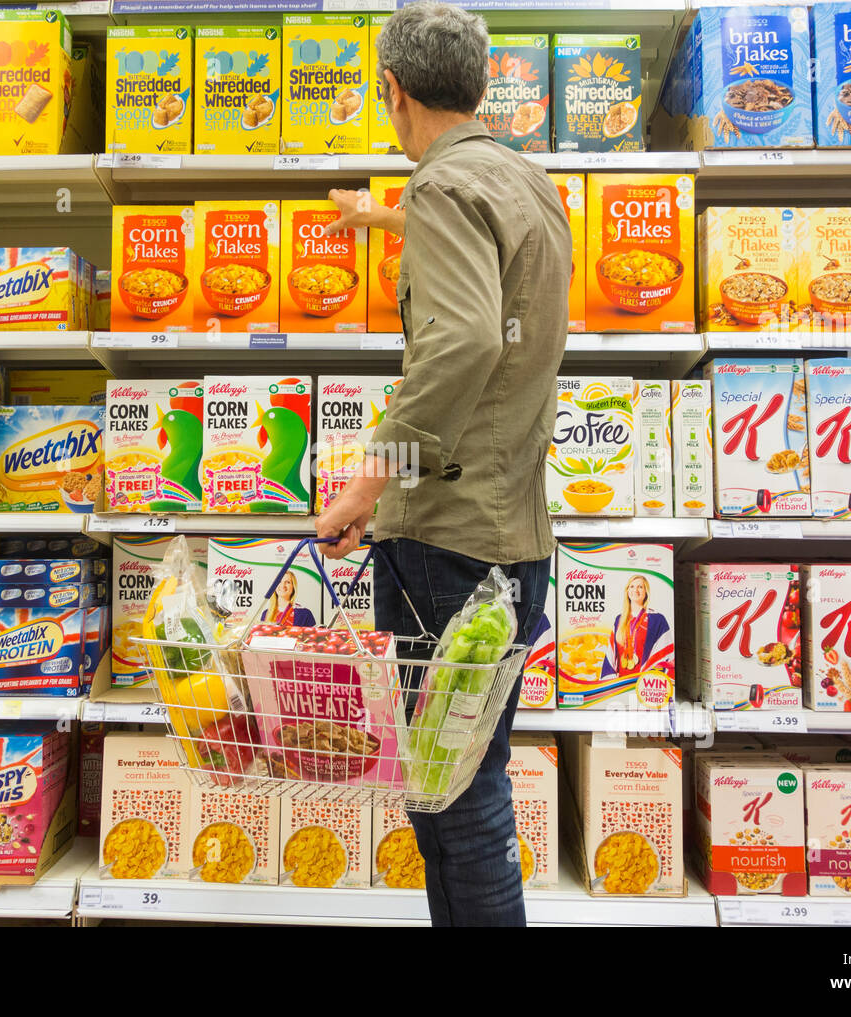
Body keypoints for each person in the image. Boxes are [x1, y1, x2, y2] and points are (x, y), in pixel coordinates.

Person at [315, 0, 571, 927]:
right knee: (459, 783)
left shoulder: (442, 188)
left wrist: (363, 484)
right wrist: (380, 218)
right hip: (514, 539)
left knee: (455, 800)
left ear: (393, 90)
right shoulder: (525, 183)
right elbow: (489, 299)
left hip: (447, 548)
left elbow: (461, 341)